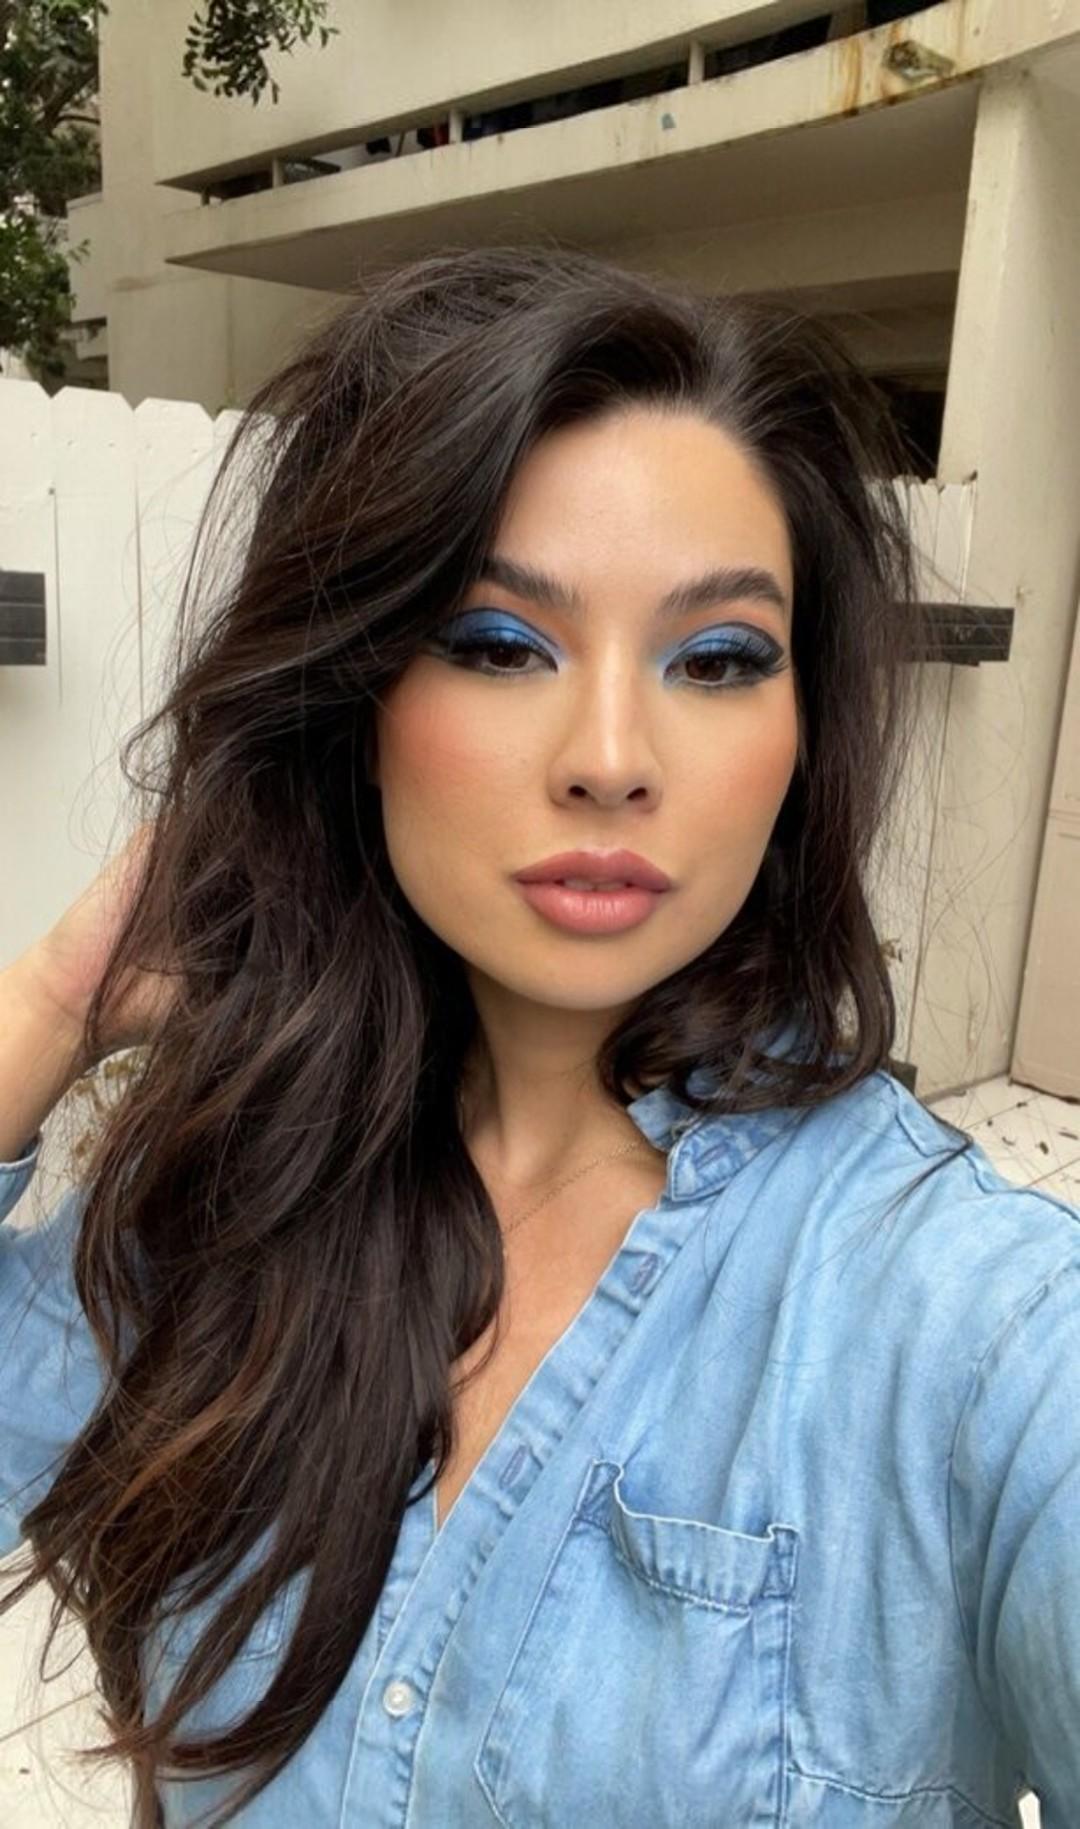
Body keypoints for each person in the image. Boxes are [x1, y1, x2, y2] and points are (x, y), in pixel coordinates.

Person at [1, 246, 1076, 1829]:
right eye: (502, 643)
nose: (612, 756)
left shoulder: (973, 1323)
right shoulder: (239, 1194)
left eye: (718, 658)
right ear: (358, 699)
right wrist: (49, 1008)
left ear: (800, 735)